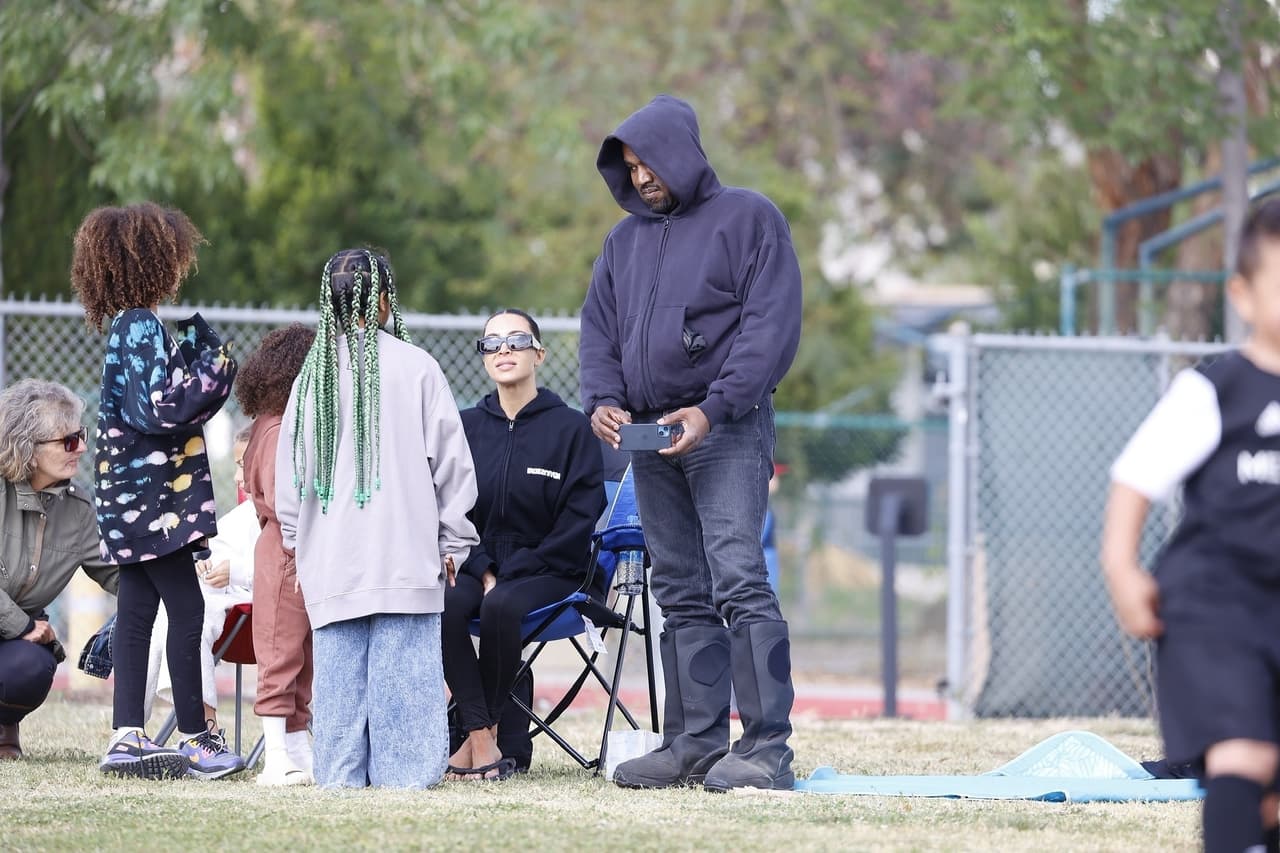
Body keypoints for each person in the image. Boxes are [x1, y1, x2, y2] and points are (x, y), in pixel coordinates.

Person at [579, 94, 803, 792]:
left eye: (650, 163)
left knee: (738, 576)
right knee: (677, 588)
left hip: (726, 428)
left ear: (682, 150)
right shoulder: (623, 241)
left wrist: (712, 408)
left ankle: (767, 746)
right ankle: (694, 743)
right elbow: (598, 330)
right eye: (631, 167)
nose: (642, 178)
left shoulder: (749, 218)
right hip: (650, 435)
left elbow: (771, 329)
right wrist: (604, 399)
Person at [1101, 198, 1280, 853]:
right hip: (1215, 606)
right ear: (1243, 294)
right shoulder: (1215, 389)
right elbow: (1135, 478)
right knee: (1243, 753)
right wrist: (1122, 570)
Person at [275, 248, 479, 789]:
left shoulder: (310, 379)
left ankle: (340, 779)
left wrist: (296, 543)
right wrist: (453, 539)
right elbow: (452, 463)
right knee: (407, 680)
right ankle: (406, 779)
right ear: (385, 301)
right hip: (407, 558)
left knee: (339, 684)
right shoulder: (418, 368)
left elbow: (290, 473)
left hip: (332, 560)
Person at [71, 202, 244, 781]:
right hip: (153, 501)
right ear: (154, 262)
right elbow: (160, 408)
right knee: (188, 607)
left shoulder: (127, 326)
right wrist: (213, 367)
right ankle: (196, 736)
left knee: (139, 609)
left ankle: (127, 736)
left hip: (127, 501)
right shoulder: (141, 325)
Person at [442, 309, 605, 781]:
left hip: (553, 568)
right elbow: (452, 507)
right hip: (478, 562)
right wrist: (486, 568)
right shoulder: (465, 427)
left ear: (539, 353)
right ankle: (482, 738)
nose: (504, 350)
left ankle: (478, 736)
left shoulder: (572, 429)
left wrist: (511, 573)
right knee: (446, 605)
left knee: (502, 608)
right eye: (492, 343)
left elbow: (579, 520)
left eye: (516, 340)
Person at [0, 379, 119, 760]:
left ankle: (4, 725)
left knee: (31, 668)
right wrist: (22, 625)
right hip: (17, 625)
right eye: (68, 440)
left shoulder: (78, 508)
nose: (81, 447)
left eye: (80, 436)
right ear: (28, 448)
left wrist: (171, 575)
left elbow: (117, 573)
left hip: (17, 636)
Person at [236, 323, 317, 786]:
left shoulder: (274, 421)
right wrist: (298, 547)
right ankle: (274, 759)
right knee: (280, 652)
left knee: (301, 656)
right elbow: (286, 497)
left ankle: (296, 752)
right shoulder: (281, 427)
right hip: (287, 546)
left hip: (287, 544)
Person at [143, 427, 257, 732]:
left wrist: (237, 571)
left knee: (190, 612)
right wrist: (203, 567)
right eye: (235, 466)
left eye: (243, 466)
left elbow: (292, 570)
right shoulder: (241, 517)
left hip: (269, 617)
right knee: (178, 606)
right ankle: (198, 724)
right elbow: (212, 553)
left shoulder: (293, 512)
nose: (236, 479)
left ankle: (200, 725)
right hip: (230, 612)